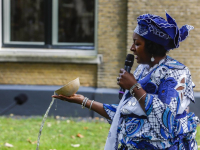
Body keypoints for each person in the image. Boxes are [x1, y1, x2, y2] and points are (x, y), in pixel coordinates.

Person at [52, 12, 200, 150]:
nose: (132, 48)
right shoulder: (143, 70)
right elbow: (126, 113)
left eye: (137, 43)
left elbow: (166, 122)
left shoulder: (176, 72)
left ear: (152, 46)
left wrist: (134, 87)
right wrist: (83, 101)